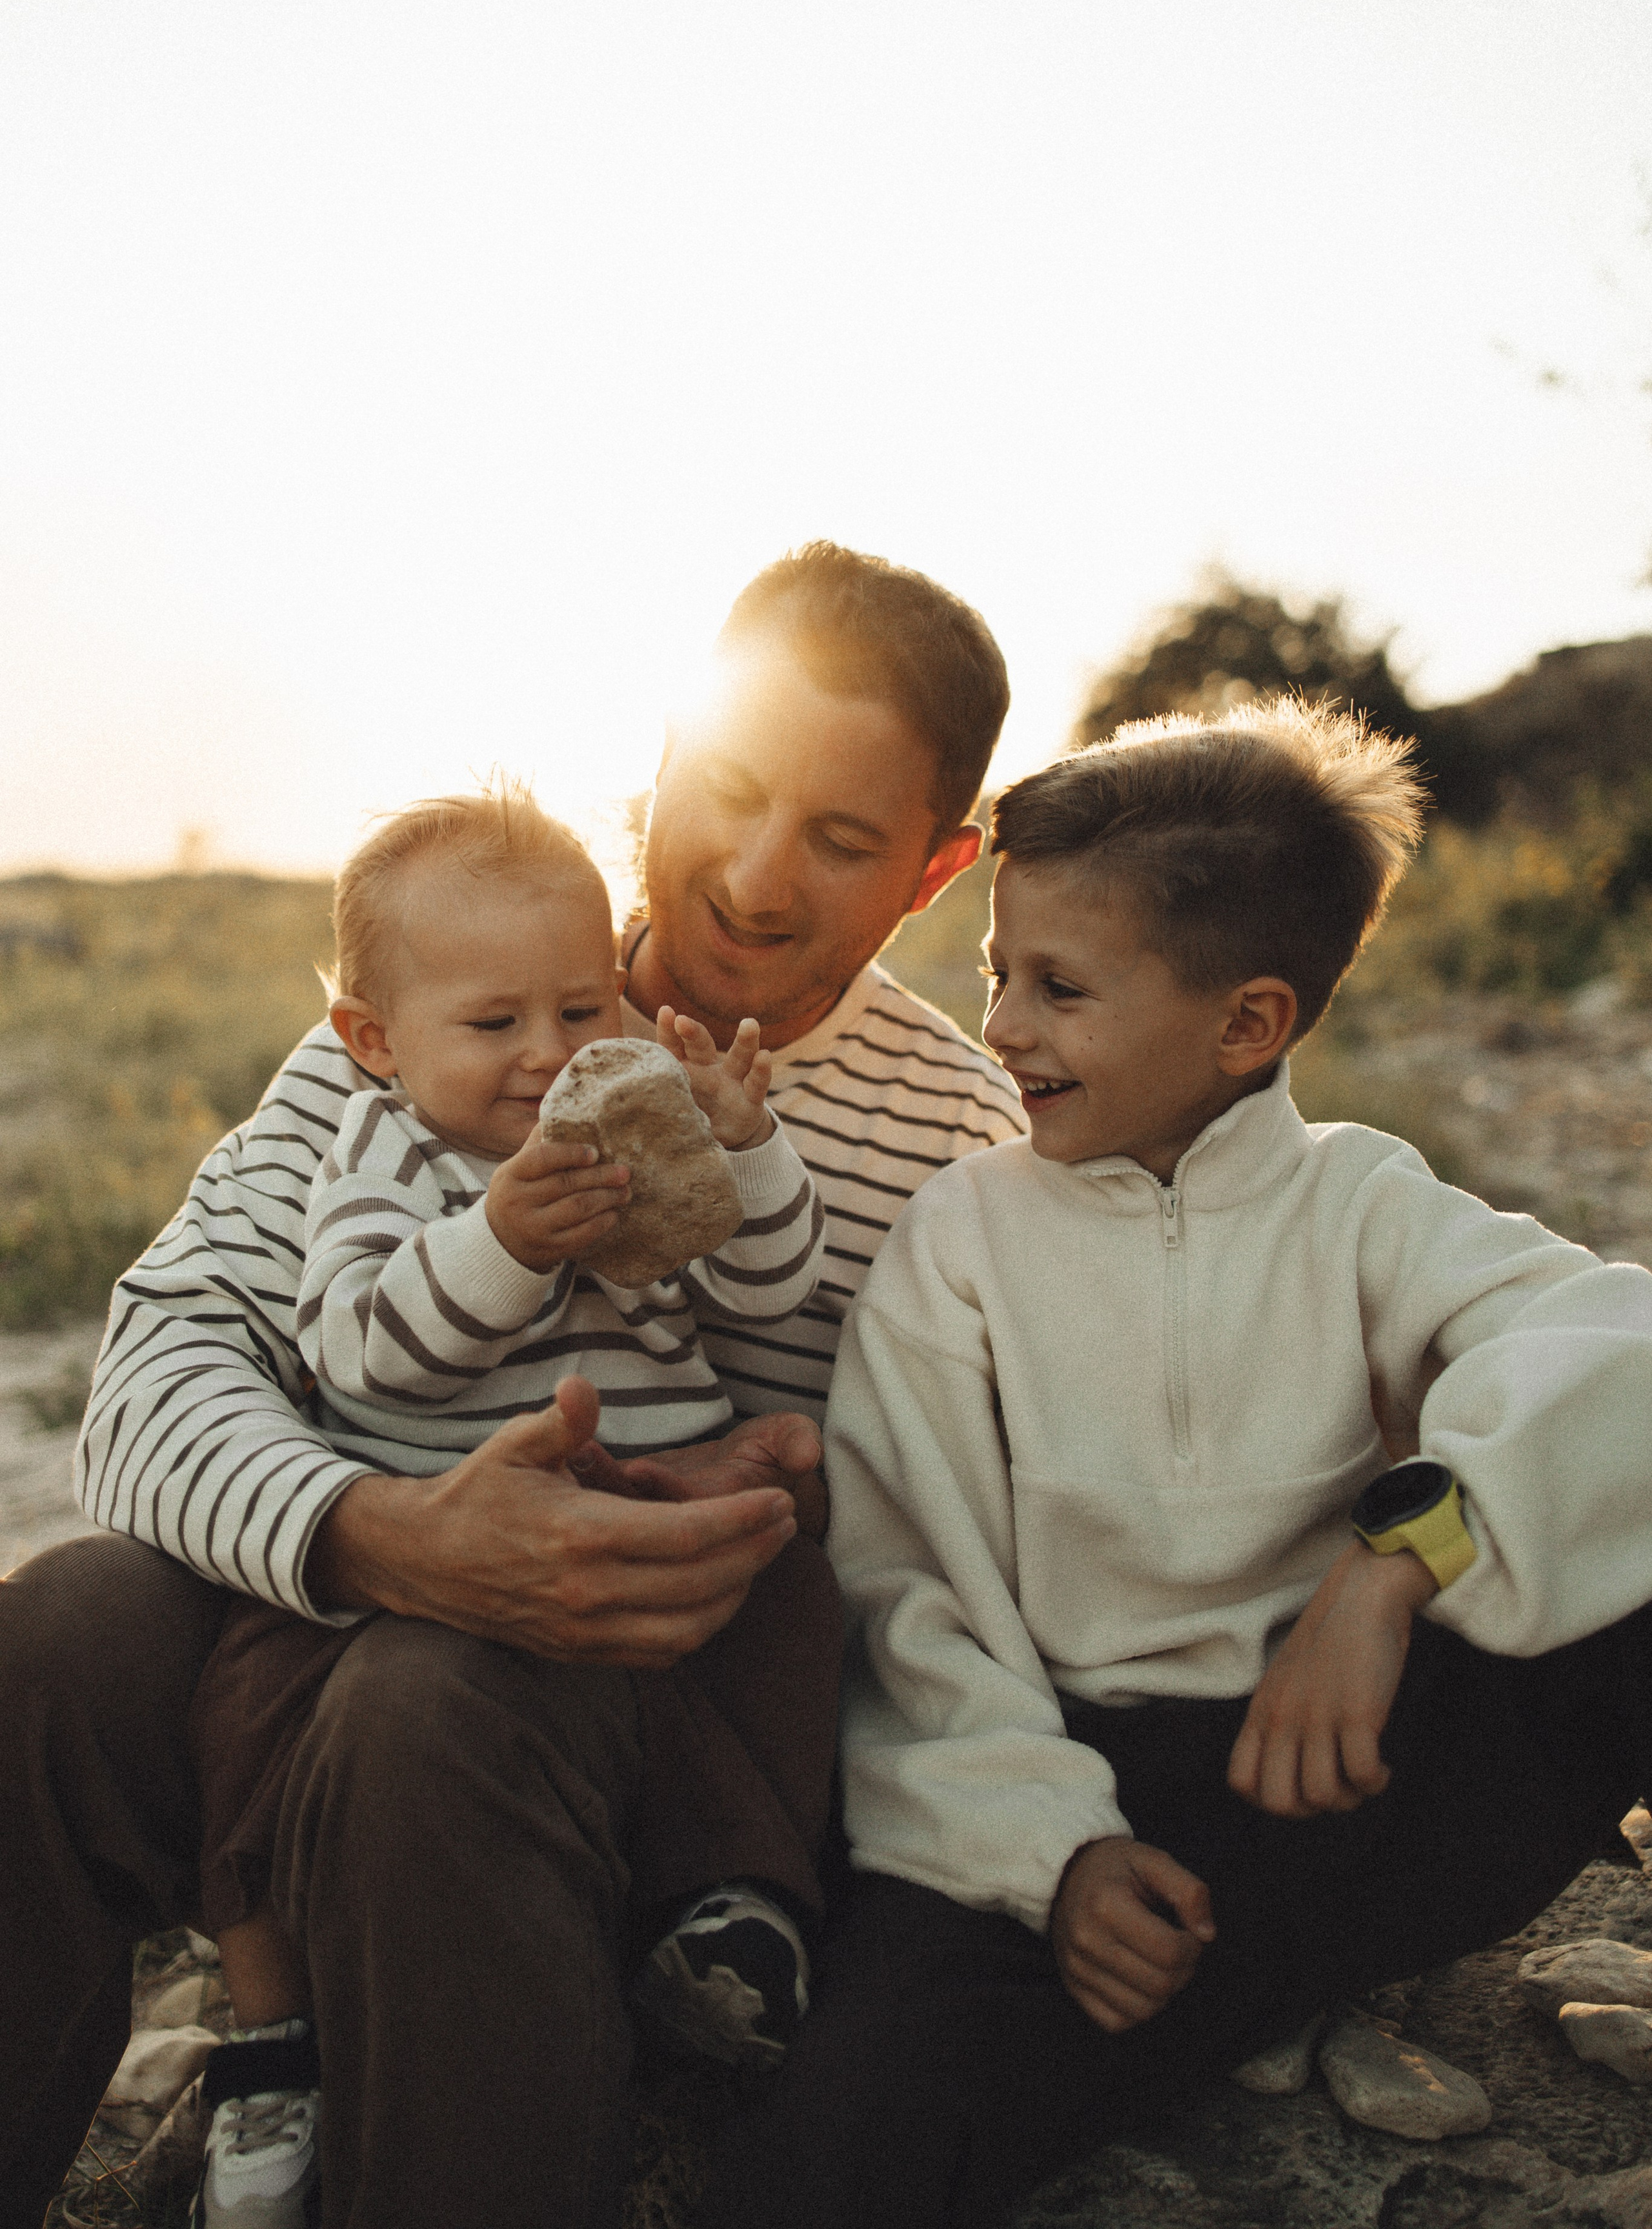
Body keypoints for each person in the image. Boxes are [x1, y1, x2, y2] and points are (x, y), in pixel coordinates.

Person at [0, 540, 1023, 2229]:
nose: (757, 880)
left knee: (432, 1709)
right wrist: (370, 1531)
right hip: (343, 1598)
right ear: (660, 765)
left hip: (674, 1716)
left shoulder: (963, 1138)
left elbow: (974, 1485)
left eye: (842, 842)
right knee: (56, 1640)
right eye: (731, 792)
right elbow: (160, 1372)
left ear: (936, 870)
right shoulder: (451, 999)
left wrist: (803, 1477)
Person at [710, 701, 1652, 2229]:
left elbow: (1619, 1343)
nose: (1002, 1025)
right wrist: (1051, 1858)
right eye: (996, 972)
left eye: (1060, 988)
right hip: (1083, 1809)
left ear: (1246, 1024)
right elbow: (907, 1591)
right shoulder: (962, 1245)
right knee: (843, 2133)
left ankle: (1245, 1987)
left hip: (1337, 1762)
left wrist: (1392, 1566)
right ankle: (1203, 2000)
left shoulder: (1357, 1202)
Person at [188, 782, 832, 2224]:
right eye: (495, 1026)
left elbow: (763, 1284)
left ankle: (736, 1911)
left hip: (652, 1514)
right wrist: (499, 1242)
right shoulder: (384, 1161)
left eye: (581, 1008)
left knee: (787, 1594)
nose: (548, 1057)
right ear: (375, 1042)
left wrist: (742, 1154)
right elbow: (362, 1342)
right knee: (251, 1695)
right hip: (437, 1537)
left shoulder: (625, 1130)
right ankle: (272, 2031)